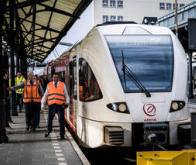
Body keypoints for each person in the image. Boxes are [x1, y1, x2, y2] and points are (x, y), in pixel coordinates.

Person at [41, 73, 70, 140]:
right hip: (51, 105)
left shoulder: (62, 85)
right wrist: (42, 104)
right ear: (52, 78)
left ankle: (62, 135)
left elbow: (66, 94)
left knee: (61, 120)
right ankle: (49, 130)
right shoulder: (49, 85)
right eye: (54, 77)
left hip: (60, 105)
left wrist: (67, 102)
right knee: (49, 119)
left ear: (58, 78)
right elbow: (45, 95)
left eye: (56, 77)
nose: (55, 79)